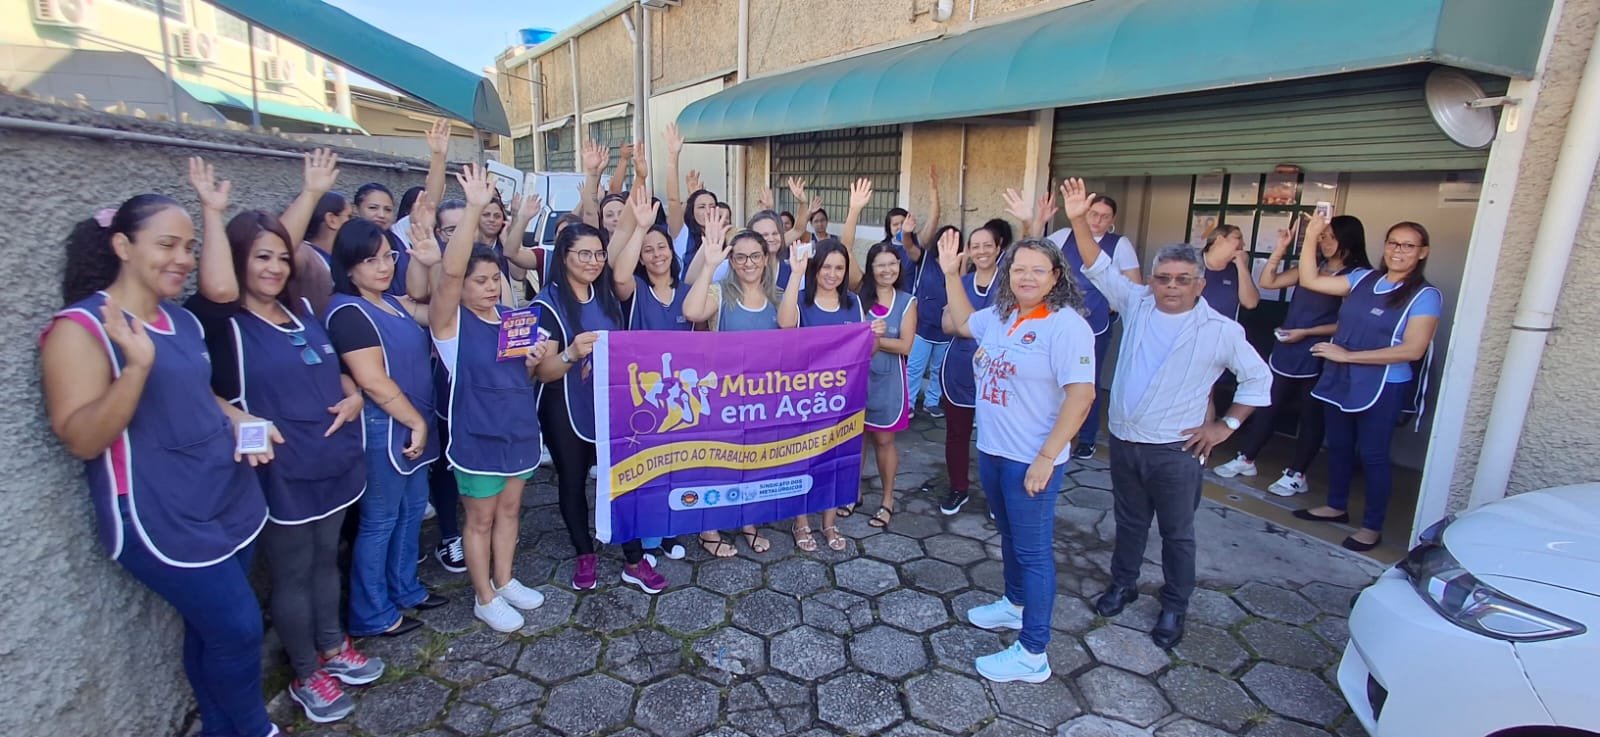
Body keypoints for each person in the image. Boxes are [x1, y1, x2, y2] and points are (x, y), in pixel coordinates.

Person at [42, 193, 278, 737]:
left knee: (212, 634)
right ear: (123, 246)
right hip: (157, 515)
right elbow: (81, 438)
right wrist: (136, 368)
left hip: (224, 497)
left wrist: (240, 417)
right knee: (239, 630)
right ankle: (254, 728)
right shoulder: (80, 329)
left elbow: (200, 397)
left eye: (190, 248)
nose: (183, 259)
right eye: (167, 245)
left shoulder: (182, 320)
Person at [183, 154, 381, 723]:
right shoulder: (223, 324)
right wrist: (214, 213)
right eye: (259, 258)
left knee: (326, 563)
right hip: (284, 474)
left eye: (279, 258)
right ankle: (304, 671)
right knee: (293, 573)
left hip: (335, 462)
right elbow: (220, 283)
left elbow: (334, 365)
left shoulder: (298, 311)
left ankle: (332, 643)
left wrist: (353, 390)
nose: (272, 267)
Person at [1056, 178, 1272, 650]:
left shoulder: (1221, 329)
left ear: (1200, 283)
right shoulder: (1136, 303)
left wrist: (1224, 426)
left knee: (1177, 534)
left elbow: (1260, 381)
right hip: (1127, 441)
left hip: (1176, 450)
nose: (1171, 287)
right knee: (1129, 522)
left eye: (1182, 279)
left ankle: (1175, 604)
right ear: (1151, 280)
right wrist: (1076, 218)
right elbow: (1097, 264)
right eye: (1163, 278)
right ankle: (1123, 584)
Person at [938, 229, 1097, 683]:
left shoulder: (1066, 325)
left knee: (1033, 553)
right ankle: (1013, 604)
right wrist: (953, 275)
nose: (1026, 277)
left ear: (1055, 277)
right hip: (993, 450)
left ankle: (1033, 652)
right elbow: (965, 324)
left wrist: (1048, 456)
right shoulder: (1003, 314)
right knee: (1008, 535)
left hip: (1032, 457)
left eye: (1037, 270)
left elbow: (1081, 396)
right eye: (1019, 269)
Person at [428, 164, 554, 631]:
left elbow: (523, 374)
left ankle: (504, 580)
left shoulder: (512, 318)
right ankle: (483, 596)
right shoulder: (450, 324)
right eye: (477, 281)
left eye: (493, 280)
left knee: (510, 511)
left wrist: (534, 356)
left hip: (518, 433)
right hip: (477, 440)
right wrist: (476, 207)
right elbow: (451, 269)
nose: (487, 288)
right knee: (478, 521)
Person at [325, 216, 448, 638]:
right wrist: (414, 421)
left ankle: (405, 588)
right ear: (348, 266)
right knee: (380, 520)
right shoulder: (346, 312)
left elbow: (438, 314)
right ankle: (371, 611)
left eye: (388, 257)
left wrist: (433, 264)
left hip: (415, 425)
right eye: (371, 260)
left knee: (411, 512)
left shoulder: (391, 302)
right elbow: (372, 380)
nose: (383, 267)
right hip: (386, 427)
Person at [1292, 217, 1441, 552]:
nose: (1398, 251)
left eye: (1408, 245)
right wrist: (1312, 237)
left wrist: (1348, 357)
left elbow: (1412, 349)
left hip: (1384, 385)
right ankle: (1336, 505)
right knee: (1340, 446)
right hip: (1342, 378)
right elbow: (1309, 279)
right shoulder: (1363, 278)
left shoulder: (1425, 296)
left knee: (1373, 455)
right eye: (1392, 243)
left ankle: (1372, 526)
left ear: (1422, 252)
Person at [533, 223, 668, 592]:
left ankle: (634, 558)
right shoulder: (546, 305)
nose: (594, 262)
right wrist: (571, 353)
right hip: (565, 407)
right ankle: (584, 553)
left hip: (610, 403)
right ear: (564, 257)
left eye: (599, 254)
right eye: (584, 254)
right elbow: (542, 373)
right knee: (573, 481)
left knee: (623, 479)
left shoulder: (608, 295)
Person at [1214, 215, 1372, 495]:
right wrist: (1280, 249)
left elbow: (1348, 321)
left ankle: (1298, 473)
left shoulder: (1356, 277)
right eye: (1321, 237)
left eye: (1330, 237)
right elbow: (1268, 281)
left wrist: (1308, 332)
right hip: (1288, 347)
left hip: (1320, 351)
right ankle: (1246, 457)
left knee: (1311, 414)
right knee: (1268, 403)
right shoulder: (1313, 267)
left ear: (1348, 240)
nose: (1324, 242)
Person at [1009, 188, 1142, 461]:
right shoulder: (1061, 237)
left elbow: (1134, 286)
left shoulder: (1119, 244)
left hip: (1094, 324)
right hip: (1055, 320)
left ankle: (1087, 437)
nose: (1098, 221)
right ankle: (1054, 435)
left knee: (1084, 383)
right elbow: (1034, 254)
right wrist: (1030, 220)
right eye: (1093, 214)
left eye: (1105, 217)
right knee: (1051, 378)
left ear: (1112, 220)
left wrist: (1110, 303)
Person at [683, 214, 784, 554]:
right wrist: (710, 265)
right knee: (718, 464)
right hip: (722, 398)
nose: (748, 263)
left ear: (766, 258)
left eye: (755, 255)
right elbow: (693, 311)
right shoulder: (720, 292)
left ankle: (748, 522)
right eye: (739, 257)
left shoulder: (777, 297)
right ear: (731, 260)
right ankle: (708, 529)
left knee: (752, 463)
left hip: (761, 400)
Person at [609, 187, 691, 561]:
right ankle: (644, 539)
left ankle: (671, 532)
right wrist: (640, 228)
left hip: (679, 399)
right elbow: (620, 272)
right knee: (646, 469)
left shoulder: (686, 291)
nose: (657, 254)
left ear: (672, 252)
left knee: (676, 467)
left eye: (662, 247)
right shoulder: (635, 288)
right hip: (641, 397)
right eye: (649, 249)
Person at [777, 238, 859, 552]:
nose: (832, 274)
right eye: (826, 266)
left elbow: (866, 350)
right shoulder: (800, 299)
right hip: (805, 399)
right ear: (815, 267)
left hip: (842, 398)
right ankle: (800, 522)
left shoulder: (853, 303)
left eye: (839, 268)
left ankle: (829, 522)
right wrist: (797, 272)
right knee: (803, 459)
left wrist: (874, 336)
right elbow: (785, 325)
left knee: (836, 459)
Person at [937, 219, 1009, 515]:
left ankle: (998, 496)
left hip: (1000, 372)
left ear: (999, 248)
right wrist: (975, 326)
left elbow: (1007, 326)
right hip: (960, 369)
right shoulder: (960, 282)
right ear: (967, 251)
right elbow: (946, 323)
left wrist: (967, 323)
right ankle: (958, 487)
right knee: (957, 432)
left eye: (987, 246)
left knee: (998, 436)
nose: (981, 251)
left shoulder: (1009, 285)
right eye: (975, 246)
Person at [856, 241, 917, 530]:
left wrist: (872, 340)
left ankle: (887, 500)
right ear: (870, 268)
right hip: (857, 378)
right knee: (855, 438)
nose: (887, 269)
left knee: (883, 440)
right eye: (880, 264)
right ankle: (851, 494)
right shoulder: (857, 299)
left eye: (892, 263)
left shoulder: (907, 302)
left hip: (890, 380)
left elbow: (906, 344)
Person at [906, 224, 956, 419]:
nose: (947, 243)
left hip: (945, 329)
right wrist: (908, 231)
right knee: (915, 368)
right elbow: (909, 246)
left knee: (938, 370)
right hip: (922, 326)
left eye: (953, 239)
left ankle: (932, 402)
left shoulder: (957, 264)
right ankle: (908, 404)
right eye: (944, 239)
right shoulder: (925, 258)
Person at [292, 190, 350, 316]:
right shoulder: (305, 254)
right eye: (349, 217)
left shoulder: (339, 258)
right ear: (332, 220)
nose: (353, 223)